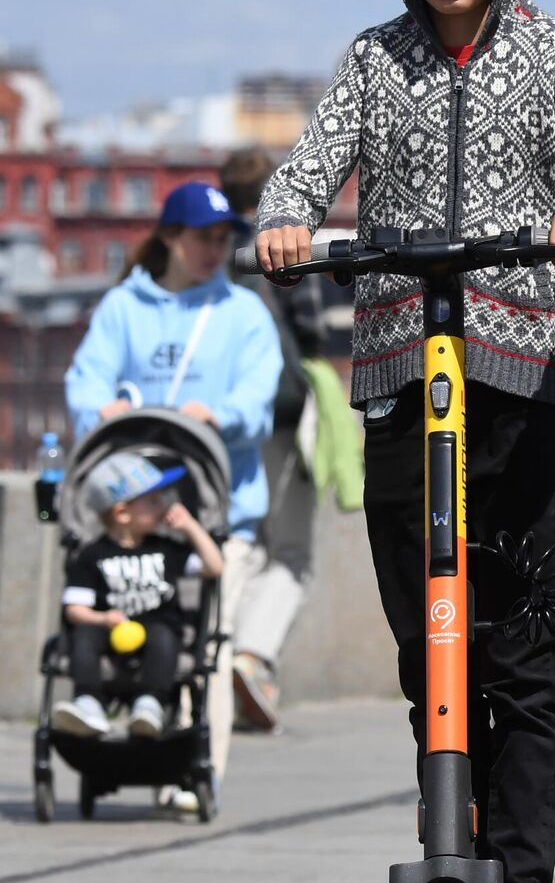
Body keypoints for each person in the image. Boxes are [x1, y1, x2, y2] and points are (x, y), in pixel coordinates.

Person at [254, 0, 555, 883]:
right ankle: (448, 838)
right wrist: (288, 224)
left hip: (524, 380)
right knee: (429, 644)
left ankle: (519, 869)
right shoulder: (375, 58)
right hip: (399, 371)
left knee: (522, 653)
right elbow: (301, 173)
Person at [65, 180, 281, 796]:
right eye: (201, 238)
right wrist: (98, 412)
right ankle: (152, 749)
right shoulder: (122, 310)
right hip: (134, 519)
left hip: (219, 514)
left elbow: (256, 400)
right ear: (169, 238)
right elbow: (86, 382)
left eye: (222, 239)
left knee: (210, 645)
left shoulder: (243, 315)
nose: (214, 249)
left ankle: (196, 771)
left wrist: (221, 415)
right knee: (154, 640)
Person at [219, 147, 329, 734]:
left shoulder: (206, 248)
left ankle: (219, 657)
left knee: (245, 541)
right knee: (289, 551)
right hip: (279, 414)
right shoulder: (281, 238)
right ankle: (253, 654)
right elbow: (309, 328)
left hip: (214, 420)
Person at [51, 451, 225, 739]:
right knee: (83, 635)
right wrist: (103, 618)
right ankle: (88, 703)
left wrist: (191, 527)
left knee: (165, 635)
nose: (164, 506)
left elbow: (214, 567)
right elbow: (74, 608)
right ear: (122, 512)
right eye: (153, 501)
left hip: (156, 627)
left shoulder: (166, 548)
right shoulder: (93, 555)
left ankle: (150, 704)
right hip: (111, 626)